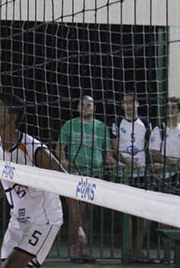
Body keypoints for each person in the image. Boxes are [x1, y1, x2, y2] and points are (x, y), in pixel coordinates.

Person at [0, 93, 84, 268]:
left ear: (12, 116)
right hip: (18, 221)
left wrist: (77, 226)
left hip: (44, 219)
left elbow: (67, 184)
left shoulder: (34, 149)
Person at [57, 94, 111, 263]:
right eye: (82, 104)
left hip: (94, 174)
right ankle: (76, 248)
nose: (85, 107)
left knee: (87, 213)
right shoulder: (70, 125)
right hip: (74, 174)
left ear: (94, 108)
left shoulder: (101, 127)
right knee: (75, 213)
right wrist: (64, 160)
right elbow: (60, 148)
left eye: (89, 105)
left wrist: (110, 161)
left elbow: (107, 152)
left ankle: (84, 249)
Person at [110, 92, 151, 263]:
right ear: (122, 105)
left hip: (141, 173)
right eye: (125, 102)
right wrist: (127, 163)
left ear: (137, 104)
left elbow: (148, 147)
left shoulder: (146, 123)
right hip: (124, 174)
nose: (129, 105)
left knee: (143, 213)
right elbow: (114, 149)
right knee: (127, 213)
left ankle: (138, 249)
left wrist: (144, 164)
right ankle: (128, 251)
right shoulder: (117, 122)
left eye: (132, 102)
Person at [149, 97, 180, 188]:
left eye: (173, 107)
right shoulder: (159, 130)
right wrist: (173, 162)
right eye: (168, 107)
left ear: (179, 111)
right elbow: (153, 154)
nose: (170, 110)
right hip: (164, 177)